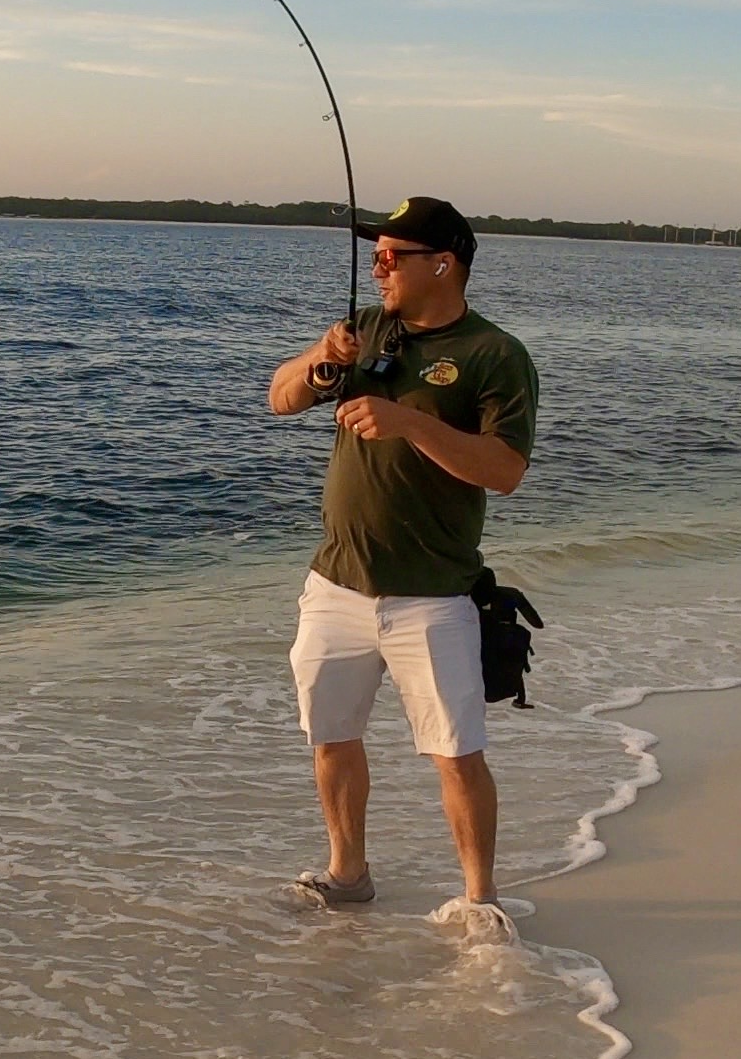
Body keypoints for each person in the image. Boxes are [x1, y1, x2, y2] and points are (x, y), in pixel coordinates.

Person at [265, 196, 538, 943]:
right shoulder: (368, 329)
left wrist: (412, 421)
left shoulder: (493, 354)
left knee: (454, 753)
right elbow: (279, 396)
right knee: (330, 734)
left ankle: (479, 899)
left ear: (442, 263)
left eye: (393, 255)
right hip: (335, 584)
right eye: (376, 254)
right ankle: (347, 873)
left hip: (434, 595)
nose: (378, 266)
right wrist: (322, 363)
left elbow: (504, 469)